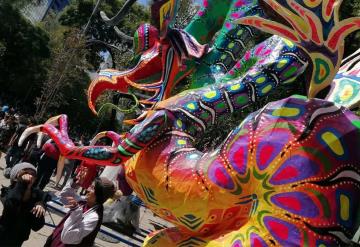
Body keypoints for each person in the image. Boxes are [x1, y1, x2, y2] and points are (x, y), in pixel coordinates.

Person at [44, 174, 116, 246]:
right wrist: (75, 184)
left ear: (99, 195)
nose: (87, 189)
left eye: (92, 188)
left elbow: (67, 237)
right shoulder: (84, 201)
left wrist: (76, 211)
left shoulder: (94, 217)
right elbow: (63, 197)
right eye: (90, 186)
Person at [0, 162, 50, 246]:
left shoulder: (36, 195)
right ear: (16, 177)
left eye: (33, 174)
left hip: (19, 239)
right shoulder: (7, 192)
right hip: (3, 234)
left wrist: (41, 204)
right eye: (25, 173)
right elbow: (11, 206)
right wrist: (21, 183)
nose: (30, 176)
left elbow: (37, 226)